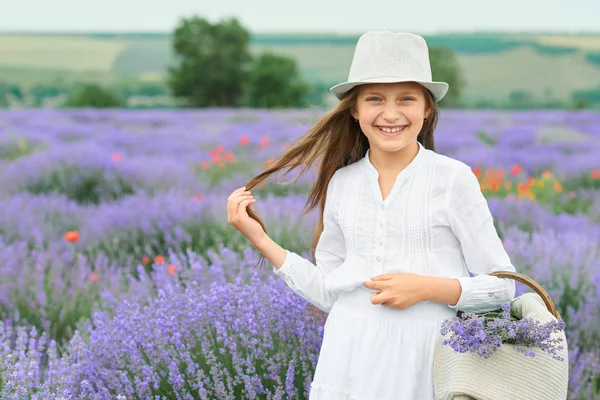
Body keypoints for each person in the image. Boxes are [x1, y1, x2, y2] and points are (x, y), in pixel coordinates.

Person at [227, 31, 517, 400]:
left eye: (407, 99)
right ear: (355, 109)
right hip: (347, 354)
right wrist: (260, 239)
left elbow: (503, 285)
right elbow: (331, 292)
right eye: (375, 99)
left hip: (426, 358)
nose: (391, 114)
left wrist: (427, 288)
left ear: (427, 109)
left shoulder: (452, 178)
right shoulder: (342, 183)